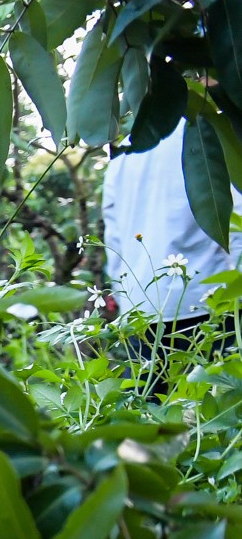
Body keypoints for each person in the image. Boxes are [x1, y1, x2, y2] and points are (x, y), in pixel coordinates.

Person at [101, 118, 242, 363]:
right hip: (209, 300)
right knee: (217, 394)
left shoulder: (125, 153)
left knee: (150, 397)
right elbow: (237, 218)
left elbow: (113, 240)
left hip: (142, 306)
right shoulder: (211, 137)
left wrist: (123, 298)